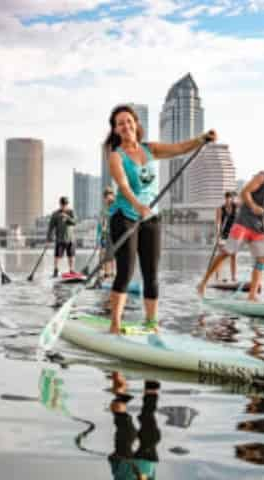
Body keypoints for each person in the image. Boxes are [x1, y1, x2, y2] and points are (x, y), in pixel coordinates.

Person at [104, 103, 216, 334]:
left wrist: (201, 139)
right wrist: (138, 206)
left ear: (136, 124)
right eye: (120, 123)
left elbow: (179, 148)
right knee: (125, 272)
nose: (125, 126)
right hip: (125, 215)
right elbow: (123, 186)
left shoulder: (150, 149)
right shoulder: (116, 156)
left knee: (151, 273)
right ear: (115, 130)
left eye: (128, 121)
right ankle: (115, 323)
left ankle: (152, 323)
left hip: (151, 217)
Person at [198, 159, 264, 301]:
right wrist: (253, 206)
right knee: (227, 253)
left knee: (262, 259)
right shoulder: (263, 176)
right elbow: (245, 192)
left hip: (261, 227)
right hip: (244, 223)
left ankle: (252, 296)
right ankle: (203, 282)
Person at [108, 372, 161, 480]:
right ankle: (151, 378)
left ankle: (120, 389)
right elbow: (149, 476)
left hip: (124, 459)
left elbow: (115, 465)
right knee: (149, 423)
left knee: (127, 428)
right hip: (147, 461)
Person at [46, 196, 77, 277]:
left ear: (67, 204)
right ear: (60, 204)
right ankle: (56, 270)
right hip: (60, 239)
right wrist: (48, 239)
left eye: (65, 204)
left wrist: (67, 217)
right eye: (62, 204)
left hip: (70, 239)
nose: (64, 206)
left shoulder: (71, 212)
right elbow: (51, 227)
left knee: (71, 255)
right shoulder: (55, 214)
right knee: (57, 256)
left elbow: (75, 222)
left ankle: (71, 270)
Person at [214, 191, 238, 281]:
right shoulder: (220, 209)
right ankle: (217, 277)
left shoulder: (237, 207)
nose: (229, 201)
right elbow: (218, 223)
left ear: (232, 199)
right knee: (220, 256)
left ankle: (233, 277)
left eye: (230, 199)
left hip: (234, 235)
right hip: (223, 235)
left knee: (233, 256)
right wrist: (218, 235)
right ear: (225, 199)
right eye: (227, 199)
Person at [98, 187, 116, 280]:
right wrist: (99, 236)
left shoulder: (117, 205)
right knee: (105, 255)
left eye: (109, 195)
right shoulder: (103, 210)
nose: (107, 198)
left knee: (114, 255)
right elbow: (100, 225)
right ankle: (106, 274)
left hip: (116, 233)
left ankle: (113, 274)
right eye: (105, 196)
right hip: (106, 235)